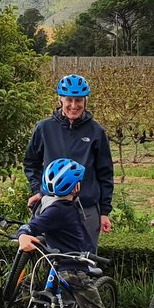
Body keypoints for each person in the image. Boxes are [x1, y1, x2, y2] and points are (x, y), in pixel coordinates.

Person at [17, 158, 117, 308]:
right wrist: (23, 236)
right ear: (75, 188)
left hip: (59, 265)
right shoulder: (59, 209)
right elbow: (30, 227)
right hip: (73, 269)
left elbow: (35, 223)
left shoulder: (57, 205)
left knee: (65, 303)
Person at [23, 74, 114, 250]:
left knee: (84, 263)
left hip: (86, 208)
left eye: (79, 100)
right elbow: (31, 162)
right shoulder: (44, 128)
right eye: (69, 100)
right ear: (60, 99)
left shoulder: (96, 131)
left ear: (85, 100)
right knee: (48, 260)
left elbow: (105, 173)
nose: (74, 106)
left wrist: (104, 212)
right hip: (51, 205)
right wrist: (37, 190)